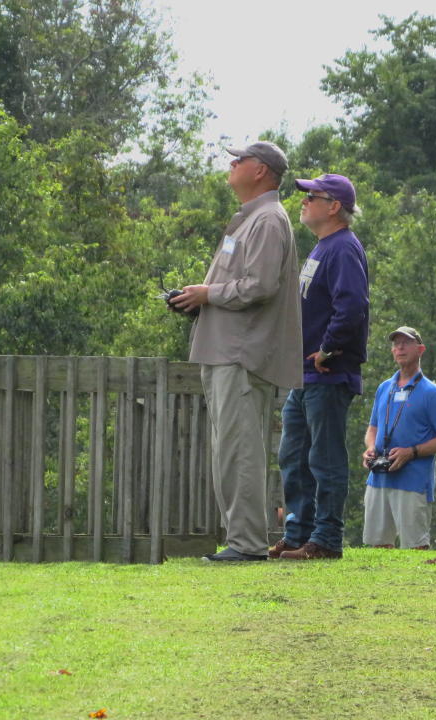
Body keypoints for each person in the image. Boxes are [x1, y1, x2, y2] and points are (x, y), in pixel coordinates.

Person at [171, 141, 302, 562]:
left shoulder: (267, 220)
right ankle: (240, 541)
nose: (231, 164)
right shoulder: (251, 219)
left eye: (239, 159)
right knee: (229, 450)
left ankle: (246, 546)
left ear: (261, 170)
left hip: (242, 356)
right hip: (225, 352)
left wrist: (208, 293)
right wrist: (198, 299)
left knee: (241, 451)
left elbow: (260, 286)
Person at [270, 174, 370, 561]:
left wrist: (329, 349)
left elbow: (352, 305)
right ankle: (297, 535)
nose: (304, 201)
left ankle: (326, 539)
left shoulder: (343, 247)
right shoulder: (322, 247)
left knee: (323, 459)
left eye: (313, 196)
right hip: (304, 373)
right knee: (293, 456)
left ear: (334, 207)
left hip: (327, 373)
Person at [361, 327, 436, 550]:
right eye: (396, 344)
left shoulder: (430, 392)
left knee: (415, 548)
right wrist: (370, 449)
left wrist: (411, 452)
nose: (400, 347)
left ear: (420, 349)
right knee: (377, 547)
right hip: (378, 479)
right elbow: (372, 428)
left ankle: (419, 586)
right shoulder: (385, 387)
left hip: (412, 481)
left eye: (406, 342)